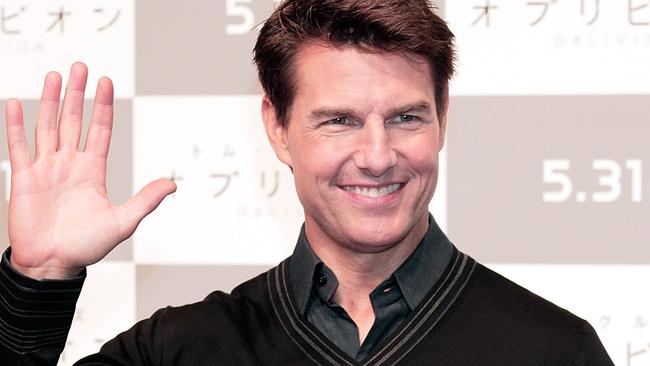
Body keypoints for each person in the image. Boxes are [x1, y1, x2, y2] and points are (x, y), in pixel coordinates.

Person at [0, 0, 614, 365]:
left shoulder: (552, 350)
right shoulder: (184, 350)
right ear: (278, 128)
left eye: (404, 117)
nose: (377, 157)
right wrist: (38, 279)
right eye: (339, 121)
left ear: (442, 117)